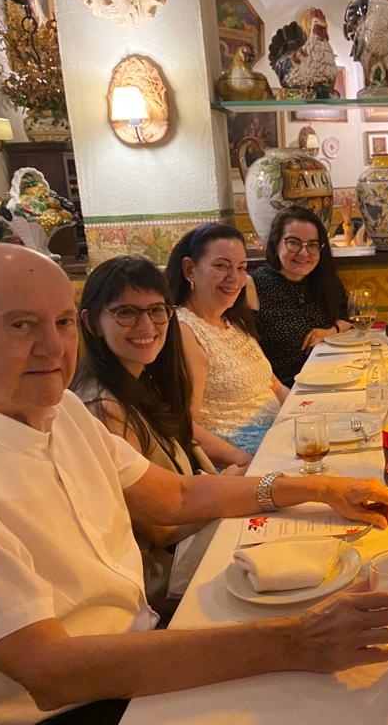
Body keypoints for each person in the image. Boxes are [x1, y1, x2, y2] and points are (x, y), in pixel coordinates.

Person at [0, 244, 388, 725]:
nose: (54, 348)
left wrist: (324, 489)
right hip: (67, 709)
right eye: (20, 325)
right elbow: (51, 672)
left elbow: (178, 496)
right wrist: (296, 641)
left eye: (61, 323)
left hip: (138, 651)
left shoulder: (61, 410)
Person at [73, 256, 238, 622]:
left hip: (186, 540)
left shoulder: (141, 380)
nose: (146, 326)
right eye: (126, 313)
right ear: (91, 322)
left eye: (156, 310)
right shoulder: (102, 408)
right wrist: (228, 490)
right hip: (160, 577)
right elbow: (161, 530)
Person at [165, 223, 284, 465]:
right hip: (243, 460)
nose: (235, 278)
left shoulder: (232, 321)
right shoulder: (185, 331)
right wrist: (246, 462)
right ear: (189, 270)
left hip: (277, 442)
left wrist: (308, 414)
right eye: (221, 266)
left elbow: (274, 386)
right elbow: (185, 425)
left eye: (241, 268)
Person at [250, 207, 351, 388]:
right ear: (276, 244)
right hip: (283, 388)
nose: (304, 253)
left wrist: (330, 331)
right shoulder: (255, 285)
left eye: (312, 244)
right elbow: (248, 352)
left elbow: (348, 317)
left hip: (329, 376)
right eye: (293, 243)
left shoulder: (324, 279)